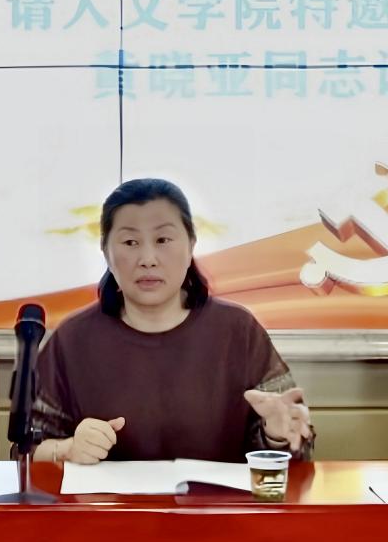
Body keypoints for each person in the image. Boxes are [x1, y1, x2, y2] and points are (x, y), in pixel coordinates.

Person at [31, 178, 314, 464]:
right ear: (105, 251)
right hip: (109, 496)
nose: (148, 259)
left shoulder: (238, 329)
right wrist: (68, 449)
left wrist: (276, 434)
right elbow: (28, 450)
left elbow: (297, 452)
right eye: (130, 242)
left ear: (191, 245)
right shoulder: (73, 338)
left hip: (215, 496)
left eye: (163, 240)